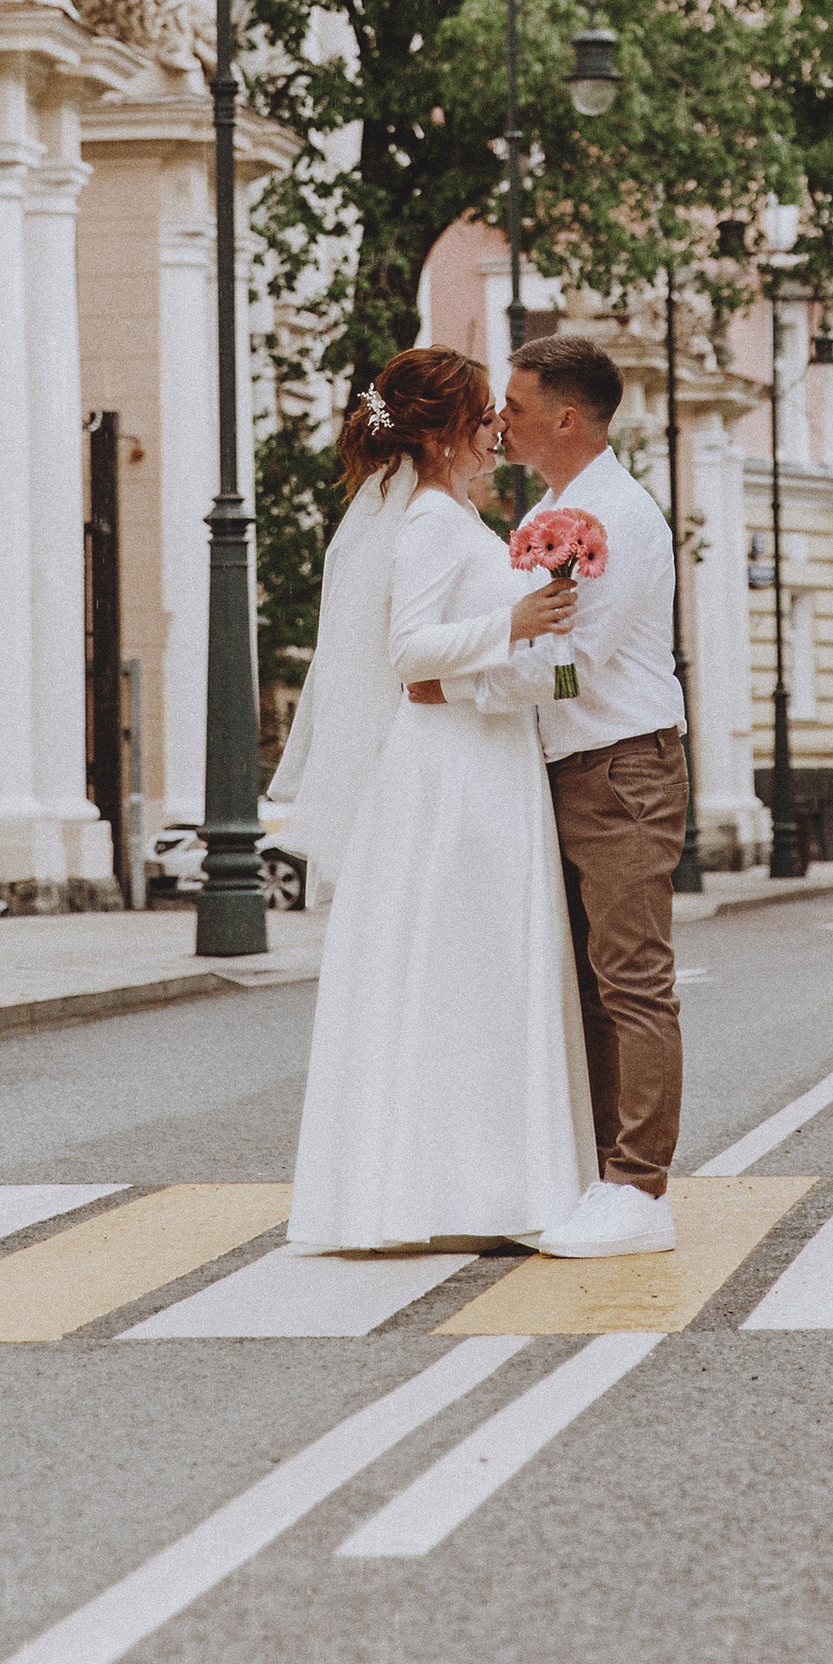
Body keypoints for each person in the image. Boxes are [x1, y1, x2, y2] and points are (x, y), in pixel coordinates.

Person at [276, 348, 593, 1252]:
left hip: (485, 755)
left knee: (479, 973)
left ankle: (475, 1192)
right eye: (487, 414)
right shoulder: (426, 522)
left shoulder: (454, 517)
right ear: (446, 433)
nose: (499, 429)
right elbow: (408, 652)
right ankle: (455, 1196)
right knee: (462, 972)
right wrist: (516, 623)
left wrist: (542, 647)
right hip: (450, 773)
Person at [410, 333, 688, 1259]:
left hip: (622, 767)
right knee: (585, 989)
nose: (501, 423)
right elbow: (533, 649)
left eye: (516, 408)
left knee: (633, 982)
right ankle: (599, 1174)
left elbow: (568, 669)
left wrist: (454, 685)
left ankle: (640, 1189)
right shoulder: (563, 508)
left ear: (566, 419)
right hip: (564, 769)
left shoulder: (621, 518)